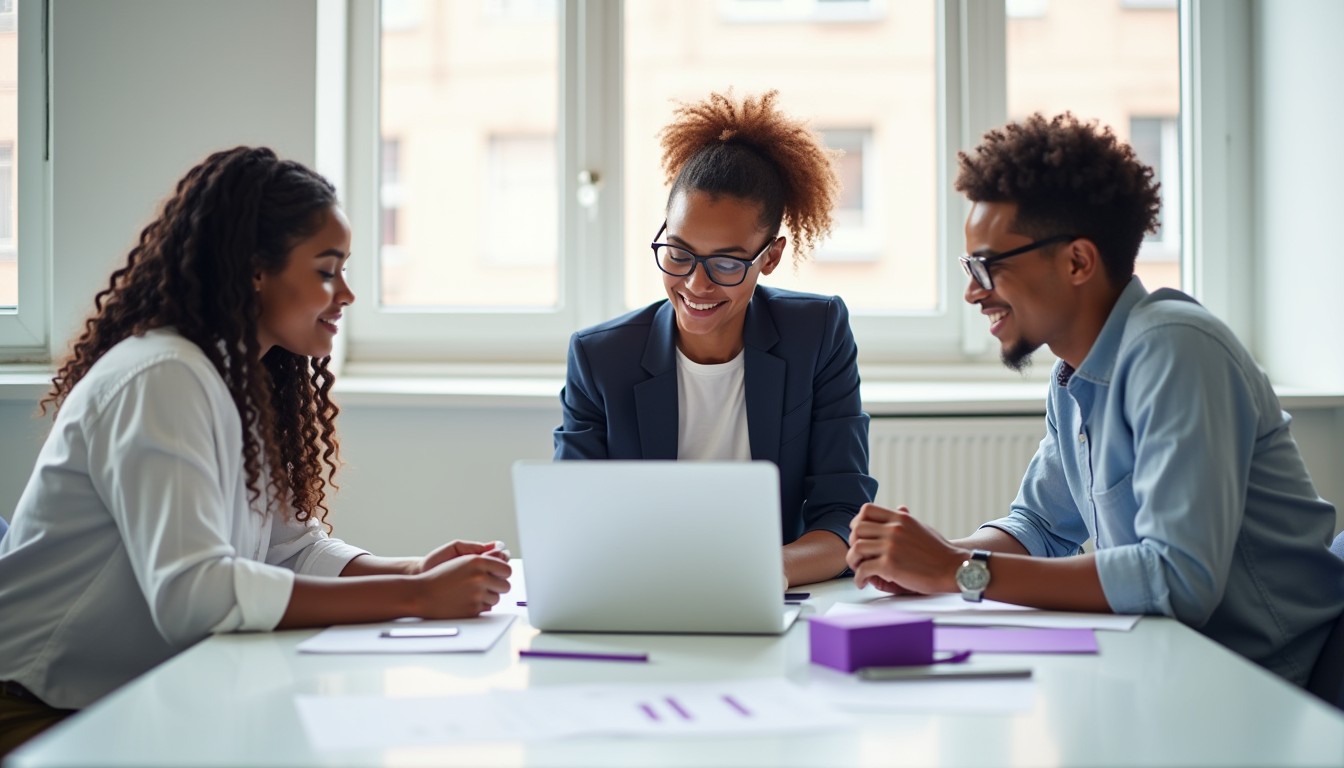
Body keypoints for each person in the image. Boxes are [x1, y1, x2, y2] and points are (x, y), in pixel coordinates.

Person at [0, 147, 512, 757]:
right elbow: (194, 595)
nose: (345, 293)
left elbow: (290, 548)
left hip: (129, 695)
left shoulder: (238, 380)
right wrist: (416, 600)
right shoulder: (162, 376)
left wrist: (412, 570)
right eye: (327, 270)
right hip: (37, 706)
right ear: (253, 271)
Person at [846, 113, 1344, 686]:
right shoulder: (1074, 375)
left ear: (1078, 261)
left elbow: (1176, 580)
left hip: (1280, 680)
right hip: (1179, 670)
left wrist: (959, 570)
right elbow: (1039, 526)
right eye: (969, 267)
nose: (972, 292)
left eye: (988, 266)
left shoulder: (1176, 349)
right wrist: (927, 560)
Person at [554, 90, 877, 587]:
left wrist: (749, 573)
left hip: (767, 590)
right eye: (679, 253)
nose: (695, 285)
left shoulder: (816, 334)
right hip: (639, 590)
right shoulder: (601, 358)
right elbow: (571, 518)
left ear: (769, 257)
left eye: (727, 263)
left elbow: (844, 516)